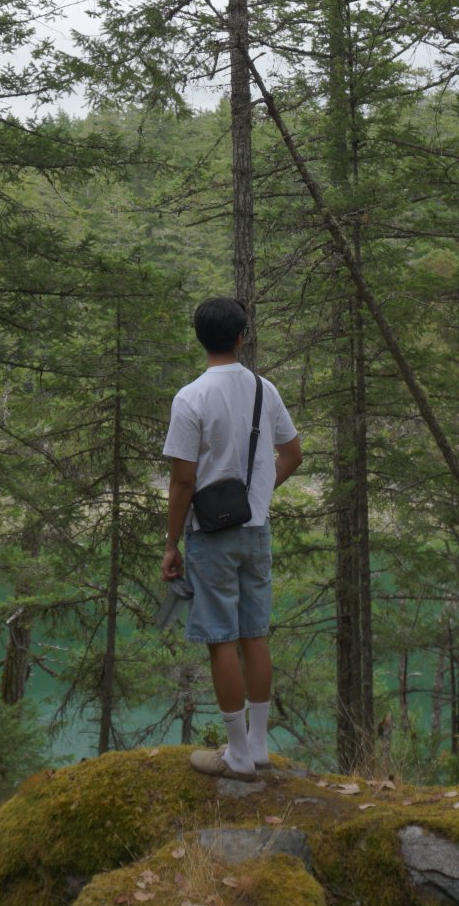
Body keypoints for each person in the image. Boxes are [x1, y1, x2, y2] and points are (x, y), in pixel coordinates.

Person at [161, 296, 302, 777]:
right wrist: (258, 495)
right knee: (253, 633)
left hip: (211, 534)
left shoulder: (191, 397)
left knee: (221, 638)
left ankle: (237, 754)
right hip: (255, 529)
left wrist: (170, 542)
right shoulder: (266, 389)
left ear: (200, 338)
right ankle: (258, 747)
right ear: (241, 337)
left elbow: (182, 480)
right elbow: (293, 453)